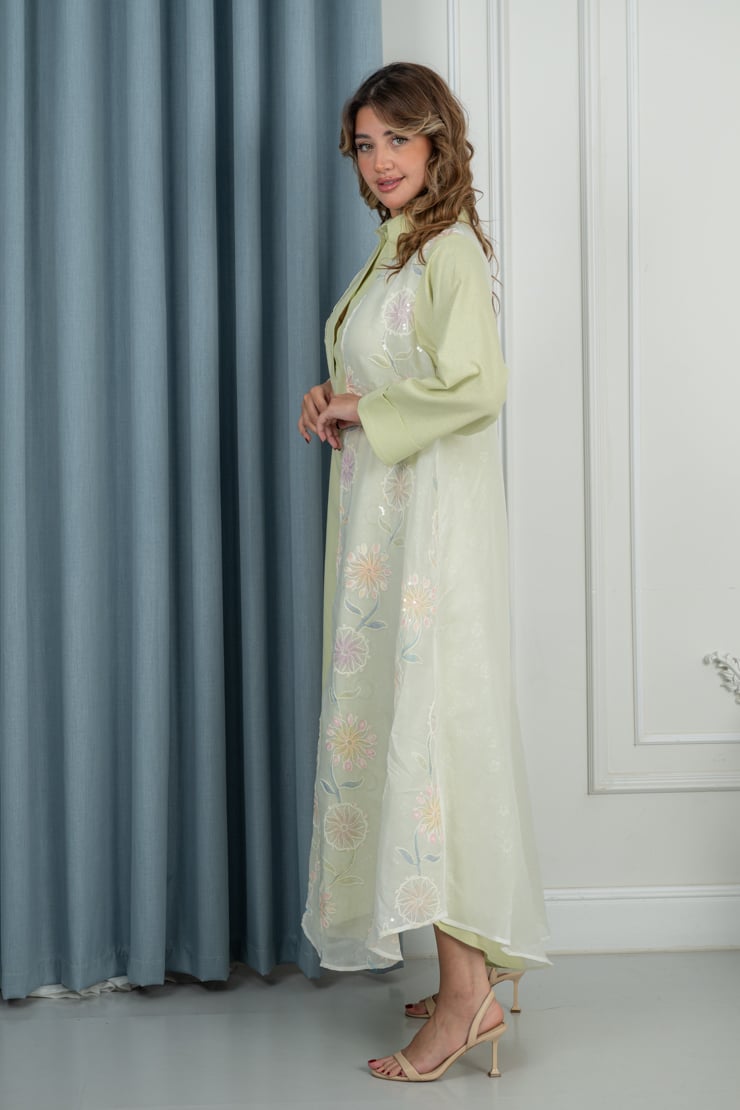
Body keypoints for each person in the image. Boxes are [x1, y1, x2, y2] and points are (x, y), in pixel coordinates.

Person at [298, 62, 549, 1083]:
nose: (379, 160)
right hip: (385, 530)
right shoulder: (395, 249)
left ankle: (463, 1000)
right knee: (415, 728)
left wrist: (366, 407)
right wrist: (332, 395)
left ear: (437, 140)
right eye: (365, 145)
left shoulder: (446, 252)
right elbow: (386, 371)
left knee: (428, 739)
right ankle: (472, 966)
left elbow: (478, 387)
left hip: (430, 540)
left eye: (396, 139)